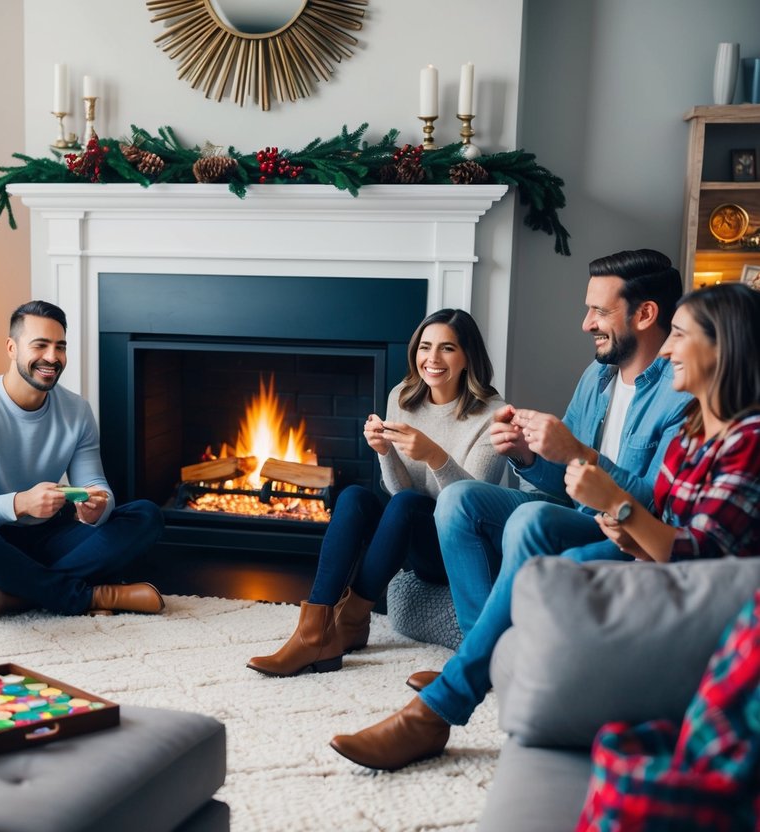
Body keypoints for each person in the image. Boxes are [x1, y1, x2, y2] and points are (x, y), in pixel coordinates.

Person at [330, 281, 760, 772]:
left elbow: (691, 549)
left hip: (664, 556)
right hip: (619, 530)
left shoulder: (739, 437)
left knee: (538, 543)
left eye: (679, 335)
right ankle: (465, 657)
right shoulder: (683, 427)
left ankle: (442, 703)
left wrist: (612, 502)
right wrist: (529, 454)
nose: (667, 349)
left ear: (723, 345)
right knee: (483, 507)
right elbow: (585, 491)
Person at [430, 249, 691, 645]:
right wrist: (527, 453)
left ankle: (482, 660)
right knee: (456, 500)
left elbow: (654, 507)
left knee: (529, 518)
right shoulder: (597, 375)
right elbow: (560, 478)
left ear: (645, 314)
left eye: (599, 311)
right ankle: (482, 650)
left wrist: (578, 454)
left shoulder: (680, 393)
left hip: (623, 532)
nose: (587, 324)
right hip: (575, 511)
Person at [247, 309, 507, 677]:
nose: (432, 359)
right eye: (425, 347)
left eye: (447, 348)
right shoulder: (403, 396)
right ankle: (314, 628)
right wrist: (384, 450)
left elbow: (470, 505)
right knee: (354, 497)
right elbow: (400, 489)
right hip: (414, 533)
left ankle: (351, 619)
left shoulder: (493, 416)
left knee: (408, 504)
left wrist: (435, 456)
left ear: (468, 358)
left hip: (458, 550)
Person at [0, 300, 165, 618]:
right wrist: (19, 503)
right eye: (40, 345)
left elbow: (96, 484)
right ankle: (87, 596)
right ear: (12, 348)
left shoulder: (76, 410)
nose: (52, 357)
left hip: (51, 536)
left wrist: (99, 507)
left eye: (60, 347)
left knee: (145, 515)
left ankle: (15, 597)